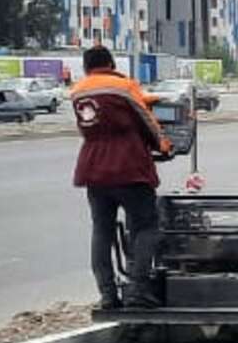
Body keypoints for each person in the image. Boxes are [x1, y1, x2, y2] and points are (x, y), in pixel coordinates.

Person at [70, 46, 169, 309]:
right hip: (129, 166)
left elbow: (98, 121)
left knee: (101, 230)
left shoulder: (78, 90)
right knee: (147, 226)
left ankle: (107, 294)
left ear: (86, 67)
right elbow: (146, 121)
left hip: (93, 168)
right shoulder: (124, 85)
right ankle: (138, 290)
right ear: (111, 63)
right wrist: (163, 144)